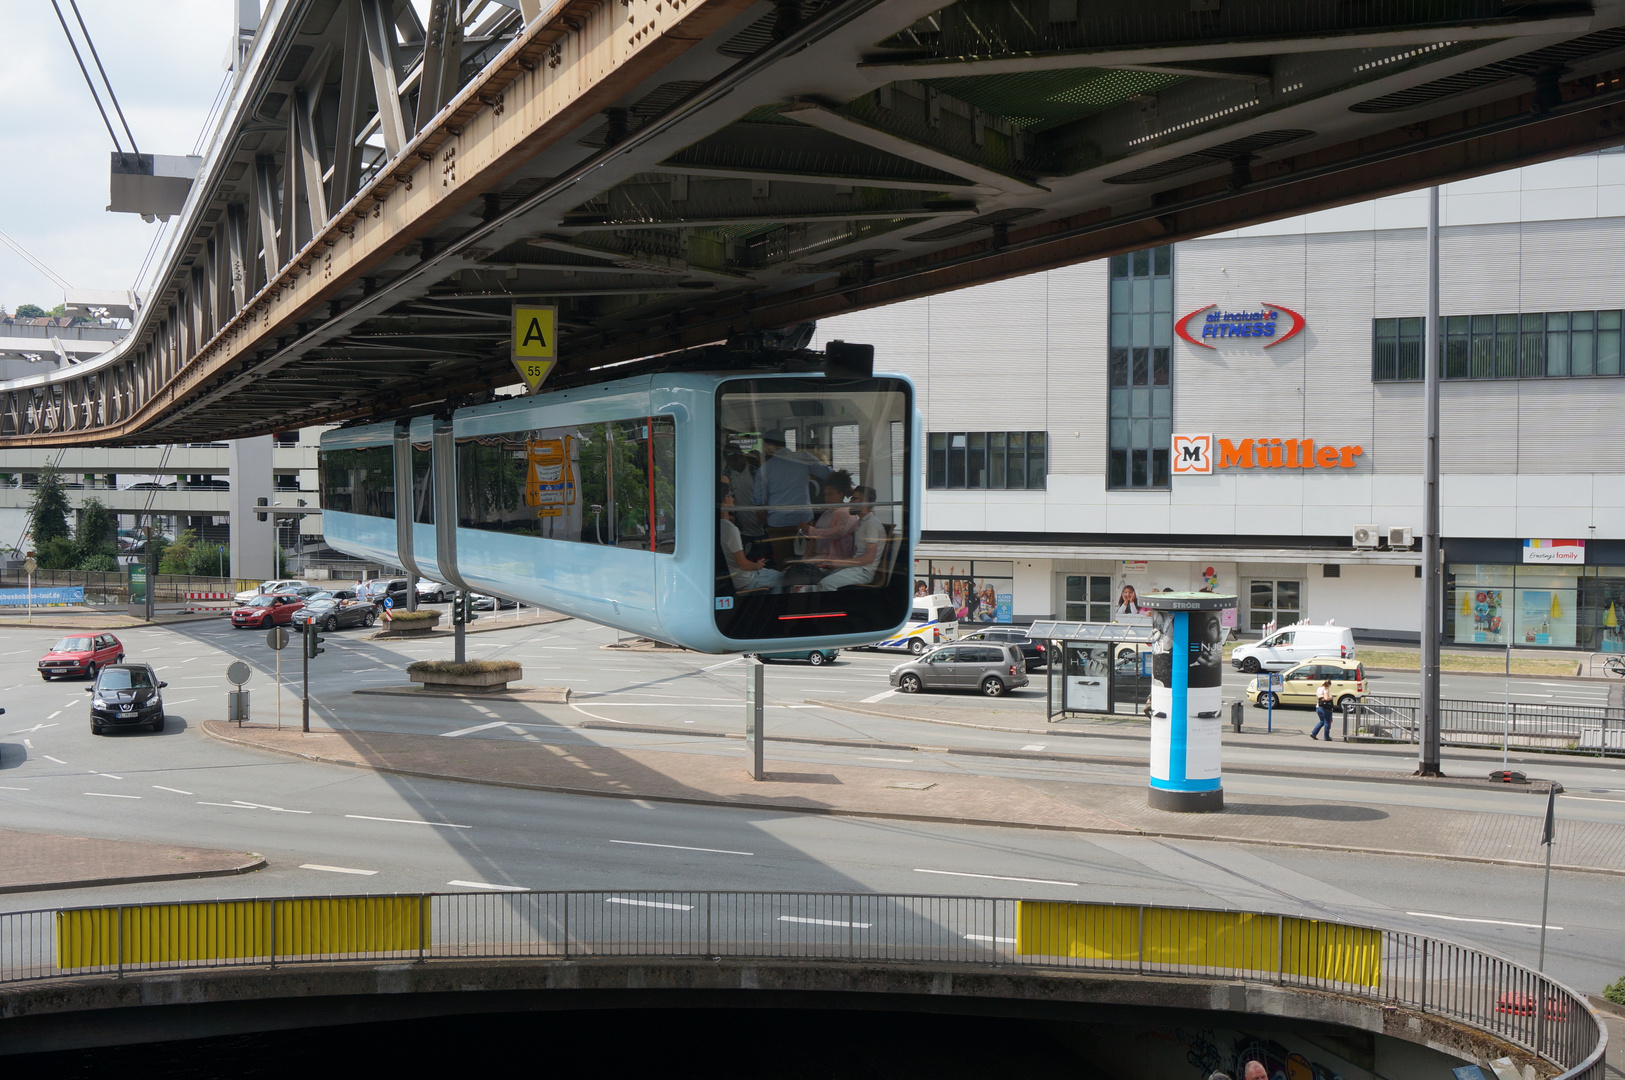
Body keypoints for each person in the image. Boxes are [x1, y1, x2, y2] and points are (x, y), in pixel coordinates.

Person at [752, 430, 829, 569]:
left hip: (777, 524)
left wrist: (769, 524)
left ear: (770, 445)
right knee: (807, 560)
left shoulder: (764, 470)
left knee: (783, 563)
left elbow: (760, 506)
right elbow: (828, 474)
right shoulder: (804, 458)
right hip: (803, 520)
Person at [814, 487, 886, 590]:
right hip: (854, 568)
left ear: (863, 503)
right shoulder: (860, 522)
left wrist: (840, 563)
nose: (850, 502)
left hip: (863, 571)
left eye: (854, 499)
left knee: (826, 584)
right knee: (816, 575)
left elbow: (869, 557)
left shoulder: (871, 524)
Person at [718, 482, 782, 594]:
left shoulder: (714, 526)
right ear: (726, 499)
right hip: (744, 580)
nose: (733, 499)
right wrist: (757, 565)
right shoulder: (730, 530)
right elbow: (743, 564)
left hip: (730, 578)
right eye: (731, 495)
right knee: (783, 578)